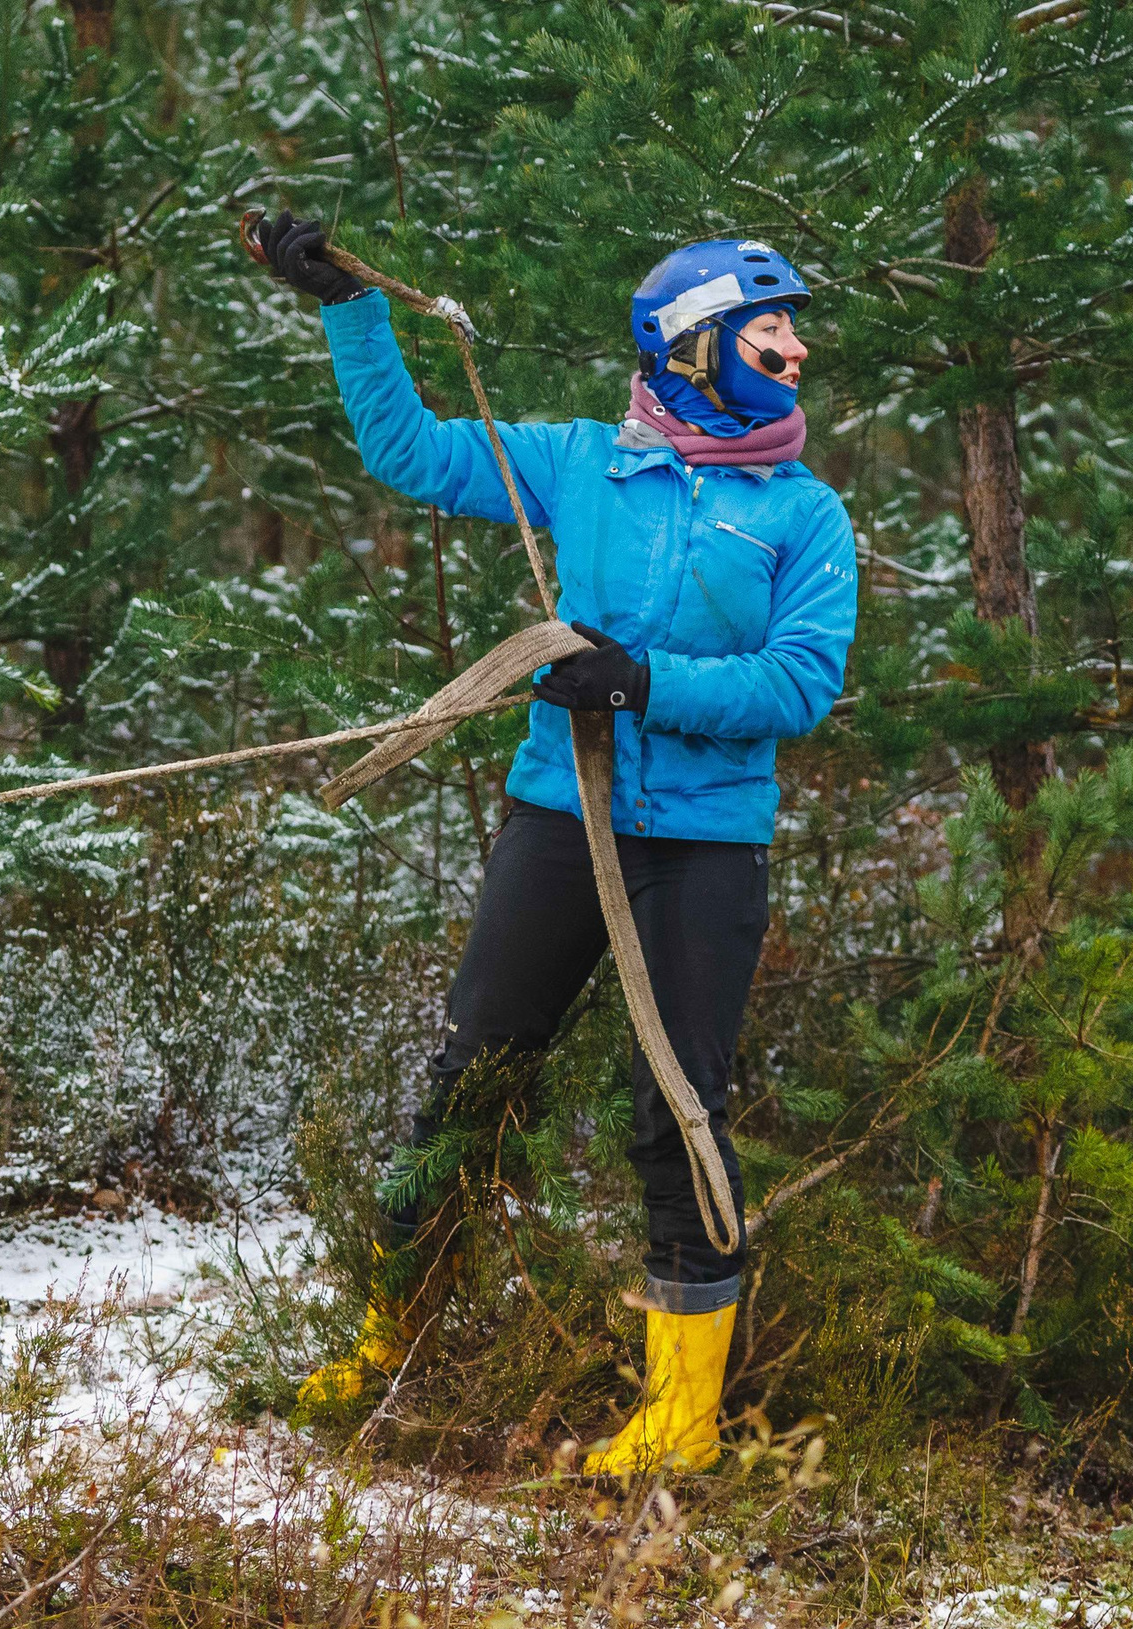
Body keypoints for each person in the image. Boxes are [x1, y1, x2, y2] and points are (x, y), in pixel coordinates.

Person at [259, 213, 858, 1473]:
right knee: (469, 1078)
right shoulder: (583, 464)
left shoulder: (805, 518)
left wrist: (642, 681)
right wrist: (349, 311)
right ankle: (393, 1345)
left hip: (703, 848)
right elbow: (411, 451)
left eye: (792, 327)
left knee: (678, 1115)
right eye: (771, 327)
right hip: (559, 822)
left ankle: (681, 1421)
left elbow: (797, 685)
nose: (797, 349)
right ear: (692, 345)